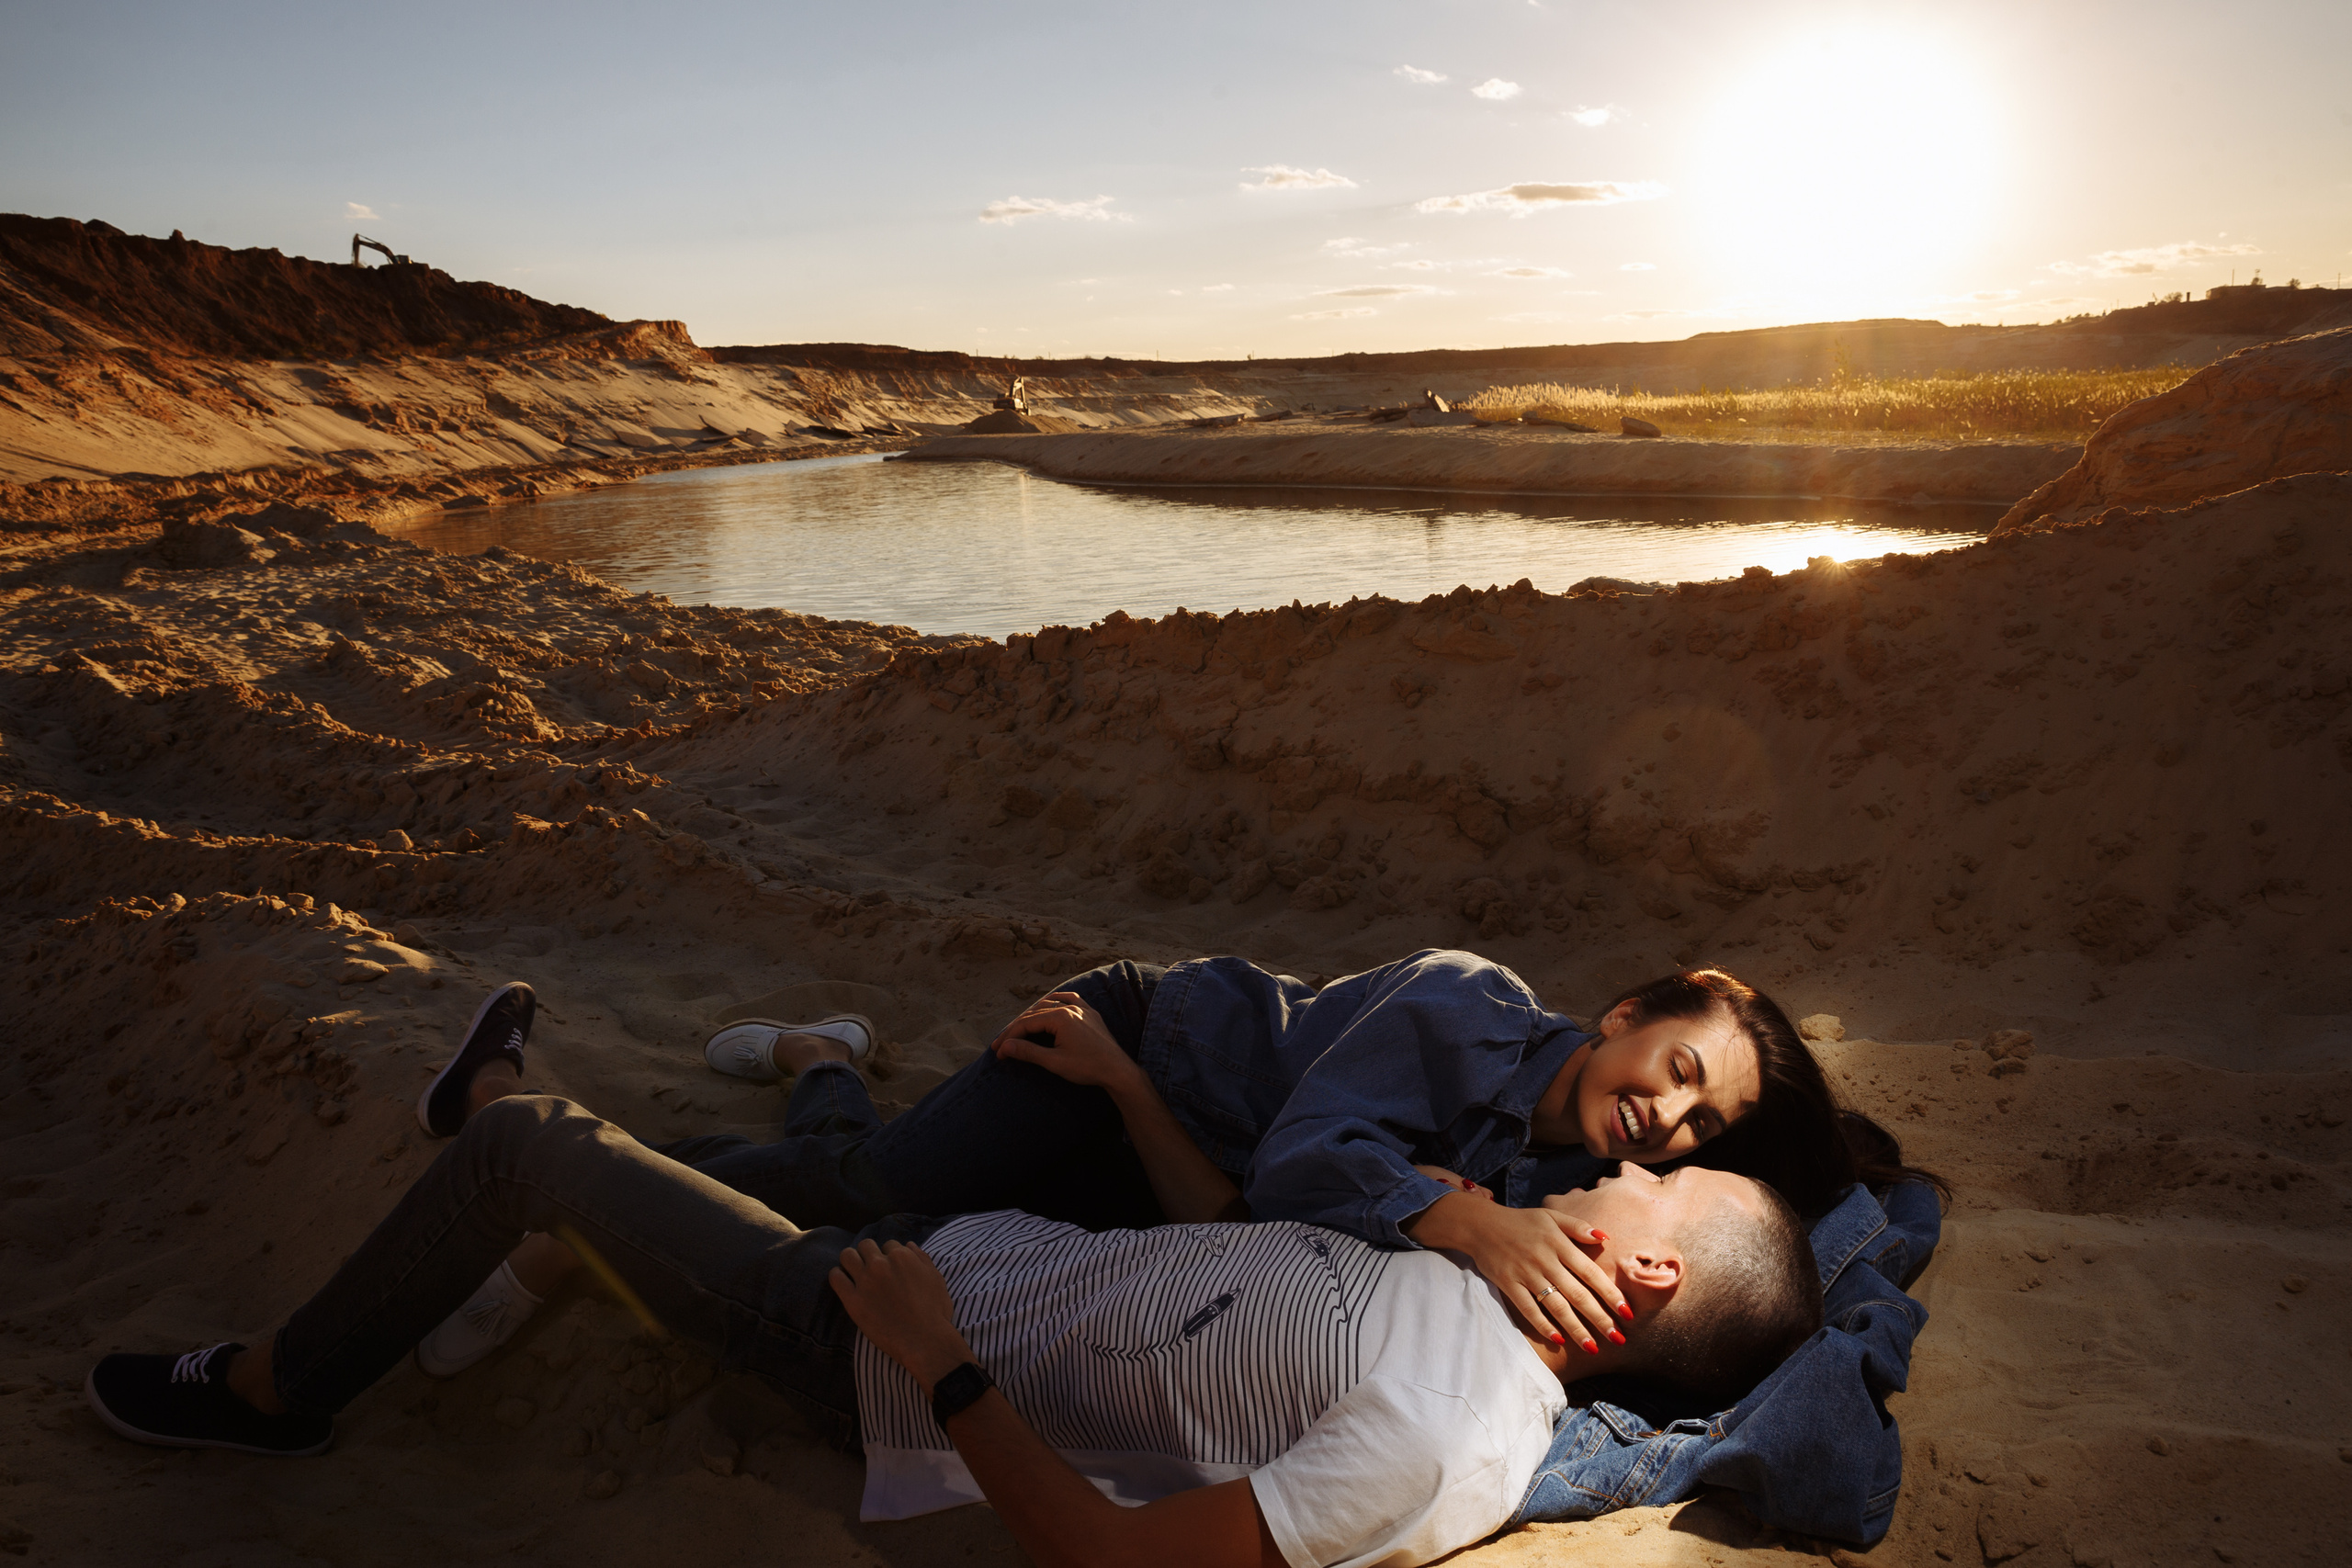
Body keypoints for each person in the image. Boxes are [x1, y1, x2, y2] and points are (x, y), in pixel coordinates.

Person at [85, 997, 1824, 1568]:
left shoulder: (1443, 1429)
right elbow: (1260, 1205)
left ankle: (275, 1394)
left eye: (1673, 1171)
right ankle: (810, 1069)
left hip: (865, 1336)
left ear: (1648, 1267)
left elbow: (1124, 1566)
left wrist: (938, 1362)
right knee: (838, 1177)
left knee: (539, 1150)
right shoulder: (1467, 1233)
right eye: (1665, 1115)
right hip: (969, 1245)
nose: (1638, 1158)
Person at [572, 949, 1923, 1357]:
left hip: (1163, 1171)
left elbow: (1242, 1221)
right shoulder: (1467, 1006)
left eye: (1702, 1126)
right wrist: (1454, 1217)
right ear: (1628, 1016)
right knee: (870, 1189)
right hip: (1122, 1050)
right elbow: (1297, 1172)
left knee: (903, 1244)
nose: (1667, 1122)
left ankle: (825, 1063)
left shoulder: (1568, 1187)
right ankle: (595, 1154)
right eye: (1677, 1072)